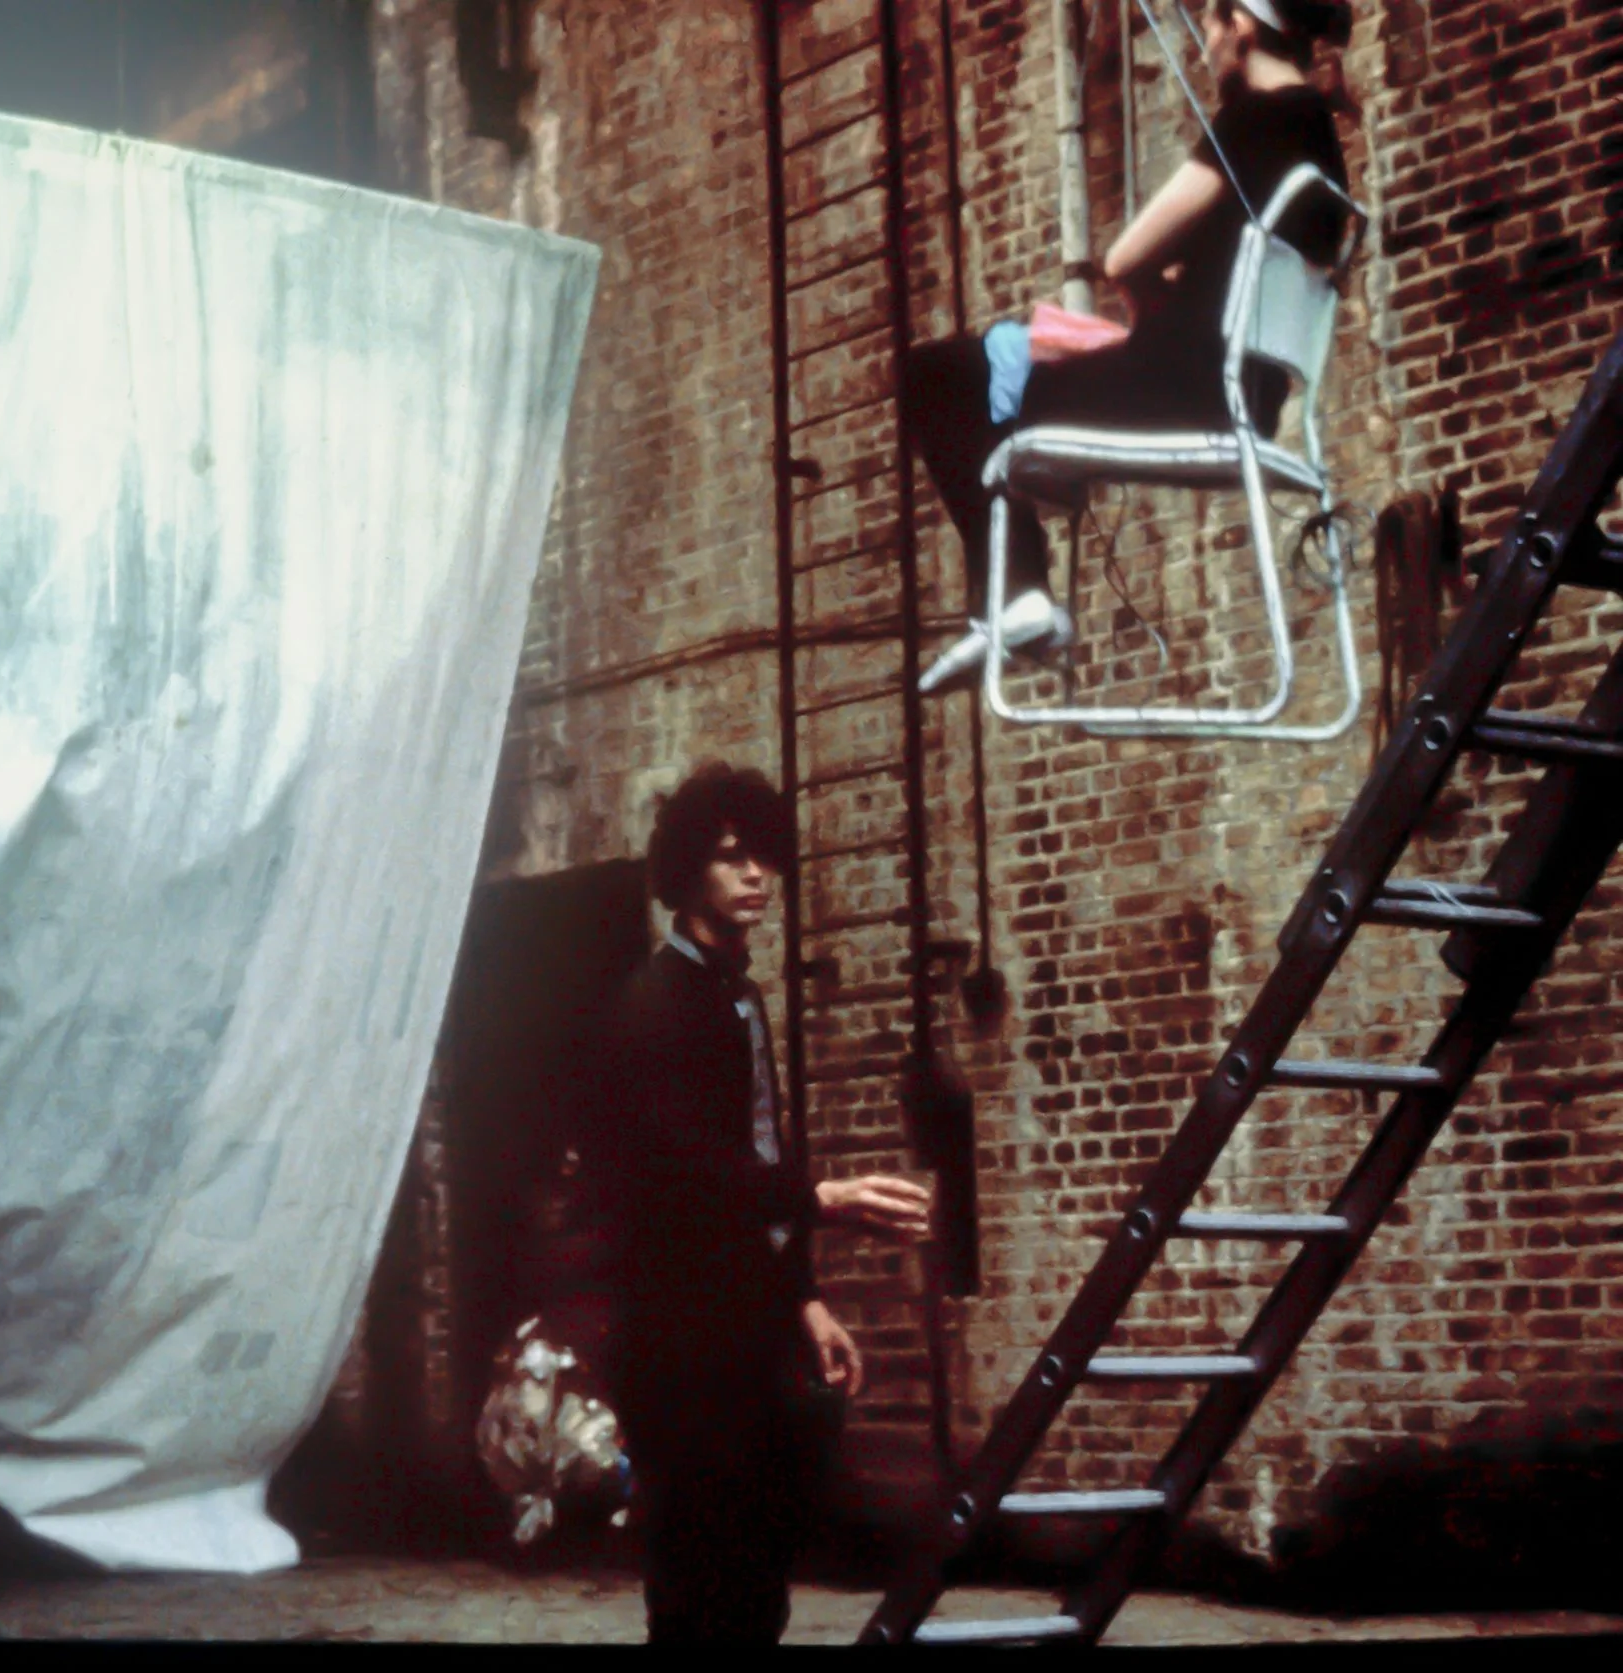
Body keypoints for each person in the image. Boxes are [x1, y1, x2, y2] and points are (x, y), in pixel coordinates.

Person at [903, 0, 1357, 696]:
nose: (1204, 44)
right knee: (1013, 364)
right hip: (1244, 399)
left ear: (1241, 26)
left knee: (938, 373)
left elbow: (1123, 259)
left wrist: (1152, 286)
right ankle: (1018, 585)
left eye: (1211, 25)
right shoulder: (1320, 143)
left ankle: (1016, 589)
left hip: (1180, 393)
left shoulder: (1253, 121)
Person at [583, 762, 933, 1643]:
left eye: (764, 856)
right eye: (730, 856)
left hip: (748, 1336)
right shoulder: (652, 1006)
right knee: (697, 1590)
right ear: (685, 870)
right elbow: (689, 1175)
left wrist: (805, 1299)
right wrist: (825, 1195)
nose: (754, 875)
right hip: (680, 1345)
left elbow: (757, 1157)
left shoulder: (739, 995)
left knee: (757, 1586)